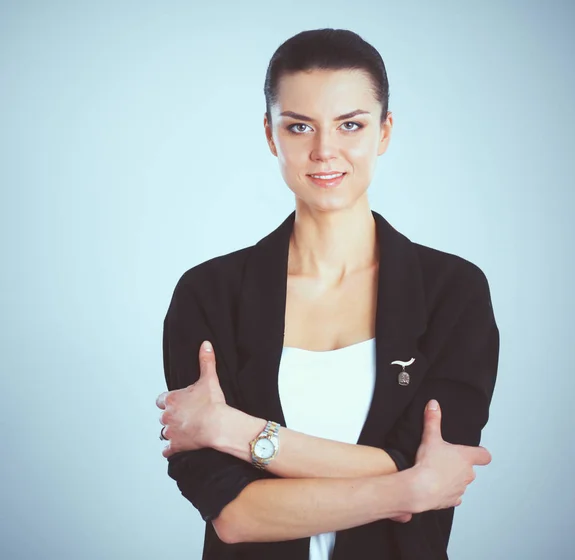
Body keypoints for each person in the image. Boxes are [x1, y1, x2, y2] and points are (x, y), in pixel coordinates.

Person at [155, 28, 500, 560]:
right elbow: (235, 516)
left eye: (350, 125)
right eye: (298, 126)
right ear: (271, 136)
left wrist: (236, 431)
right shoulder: (209, 294)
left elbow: (434, 461)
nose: (324, 151)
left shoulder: (452, 293)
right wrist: (406, 488)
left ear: (384, 132)